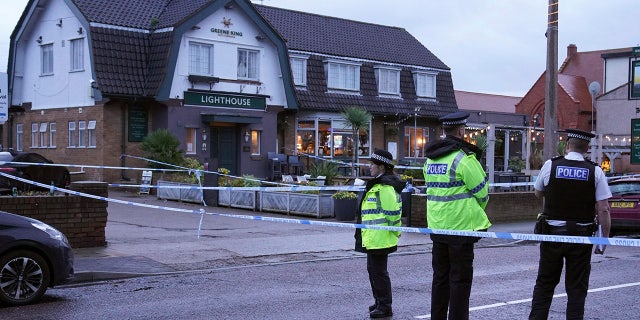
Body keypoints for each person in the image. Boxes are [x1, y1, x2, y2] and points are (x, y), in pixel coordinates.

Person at [529, 128, 611, 320]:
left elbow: (538, 192)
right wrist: (603, 239)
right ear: (586, 149)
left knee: (544, 285)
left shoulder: (551, 165)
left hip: (552, 235)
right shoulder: (595, 171)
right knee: (576, 289)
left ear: (567, 146)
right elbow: (604, 209)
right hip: (581, 238)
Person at [422, 111, 492, 320]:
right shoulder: (463, 158)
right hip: (461, 229)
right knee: (460, 282)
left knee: (440, 279)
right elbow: (482, 192)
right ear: (461, 131)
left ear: (444, 130)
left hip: (437, 227)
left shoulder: (430, 160)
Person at [354, 148, 405, 318]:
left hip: (380, 237)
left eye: (372, 164)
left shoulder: (385, 186)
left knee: (379, 272)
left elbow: (392, 213)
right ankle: (379, 302)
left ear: (382, 167)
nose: (370, 167)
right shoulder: (380, 183)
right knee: (373, 270)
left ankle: (385, 306)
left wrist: (396, 230)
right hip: (374, 237)